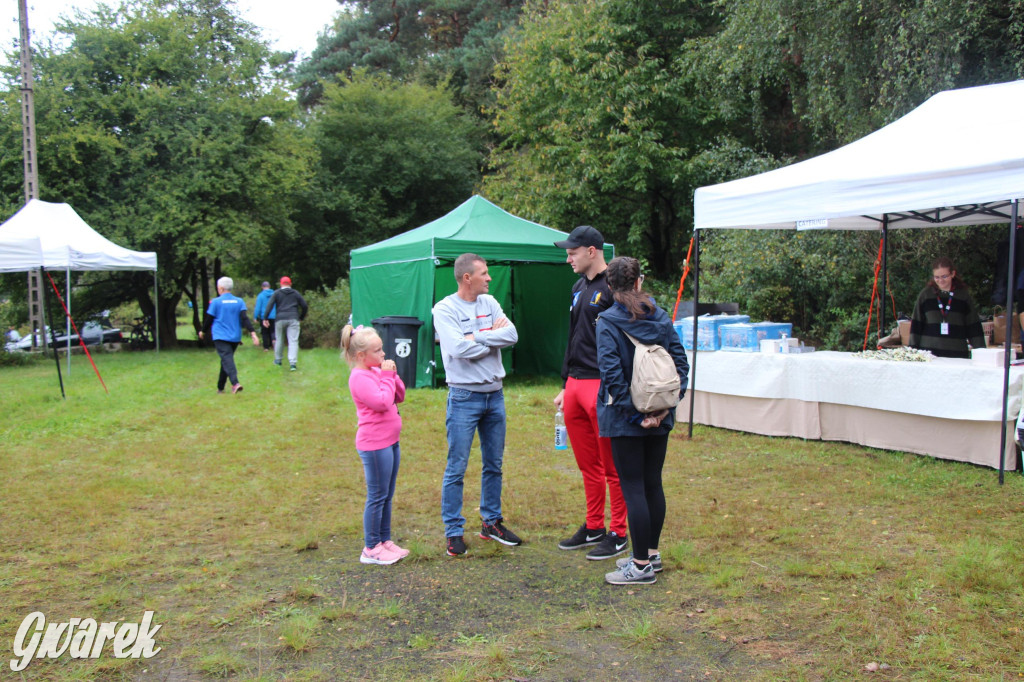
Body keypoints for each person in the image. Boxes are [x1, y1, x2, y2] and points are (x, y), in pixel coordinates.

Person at [595, 256, 688, 585]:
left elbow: (611, 376)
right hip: (661, 412)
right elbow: (681, 364)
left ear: (609, 286)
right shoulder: (661, 317)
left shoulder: (607, 322)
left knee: (633, 487)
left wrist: (635, 416)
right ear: (639, 282)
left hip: (625, 419)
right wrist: (667, 407)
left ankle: (640, 566)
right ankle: (651, 554)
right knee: (653, 483)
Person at [433, 253, 522, 556]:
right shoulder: (444, 309)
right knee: (456, 466)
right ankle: (453, 531)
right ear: (467, 277)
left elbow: (511, 335)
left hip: (495, 395)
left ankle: (491, 522)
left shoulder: (490, 302)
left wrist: (478, 335)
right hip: (464, 397)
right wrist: (489, 336)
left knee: (494, 464)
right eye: (484, 273)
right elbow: (457, 349)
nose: (490, 278)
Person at [552, 225, 630, 561]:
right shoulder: (577, 286)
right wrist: (565, 382)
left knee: (612, 465)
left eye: (572, 251)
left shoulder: (614, 288)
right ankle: (595, 525)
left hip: (602, 384)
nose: (568, 257)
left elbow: (628, 338)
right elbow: (574, 335)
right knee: (588, 465)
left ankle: (619, 532)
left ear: (592, 251)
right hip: (575, 384)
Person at [342, 324, 409, 566]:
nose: (383, 355)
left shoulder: (375, 372)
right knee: (377, 495)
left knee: (387, 494)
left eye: (382, 350)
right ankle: (371, 547)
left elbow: (398, 395)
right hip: (375, 444)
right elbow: (381, 402)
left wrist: (392, 375)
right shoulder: (359, 377)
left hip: (390, 441)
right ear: (361, 356)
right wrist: (387, 376)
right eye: (378, 351)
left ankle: (384, 540)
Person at [908, 256, 986, 358]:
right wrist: (912, 352)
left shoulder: (963, 296)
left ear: (952, 274)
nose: (940, 280)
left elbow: (973, 326)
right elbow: (916, 325)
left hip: (957, 354)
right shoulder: (925, 295)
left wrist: (982, 353)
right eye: (937, 277)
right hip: (929, 355)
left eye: (944, 276)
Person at [199, 276, 260, 394]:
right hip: (234, 336)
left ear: (220, 288)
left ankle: (235, 383)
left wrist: (203, 331)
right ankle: (220, 388)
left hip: (220, 336)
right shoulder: (239, 301)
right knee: (226, 360)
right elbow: (244, 318)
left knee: (227, 359)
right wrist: (253, 333)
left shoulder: (216, 302)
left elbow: (209, 319)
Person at [263, 276, 308, 371]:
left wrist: (265, 318)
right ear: (290, 284)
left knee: (279, 339)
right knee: (293, 341)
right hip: (293, 318)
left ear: (281, 284)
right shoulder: (295, 293)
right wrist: (301, 317)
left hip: (280, 318)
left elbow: (269, 305)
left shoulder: (277, 293)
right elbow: (304, 305)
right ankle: (293, 364)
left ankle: (278, 360)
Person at [253, 281, 277, 352]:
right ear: (269, 286)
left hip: (264, 317)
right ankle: (274, 341)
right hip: (273, 316)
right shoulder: (275, 294)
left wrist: (255, 316)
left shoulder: (261, 295)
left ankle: (266, 347)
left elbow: (258, 307)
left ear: (262, 287)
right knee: (273, 330)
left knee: (265, 332)